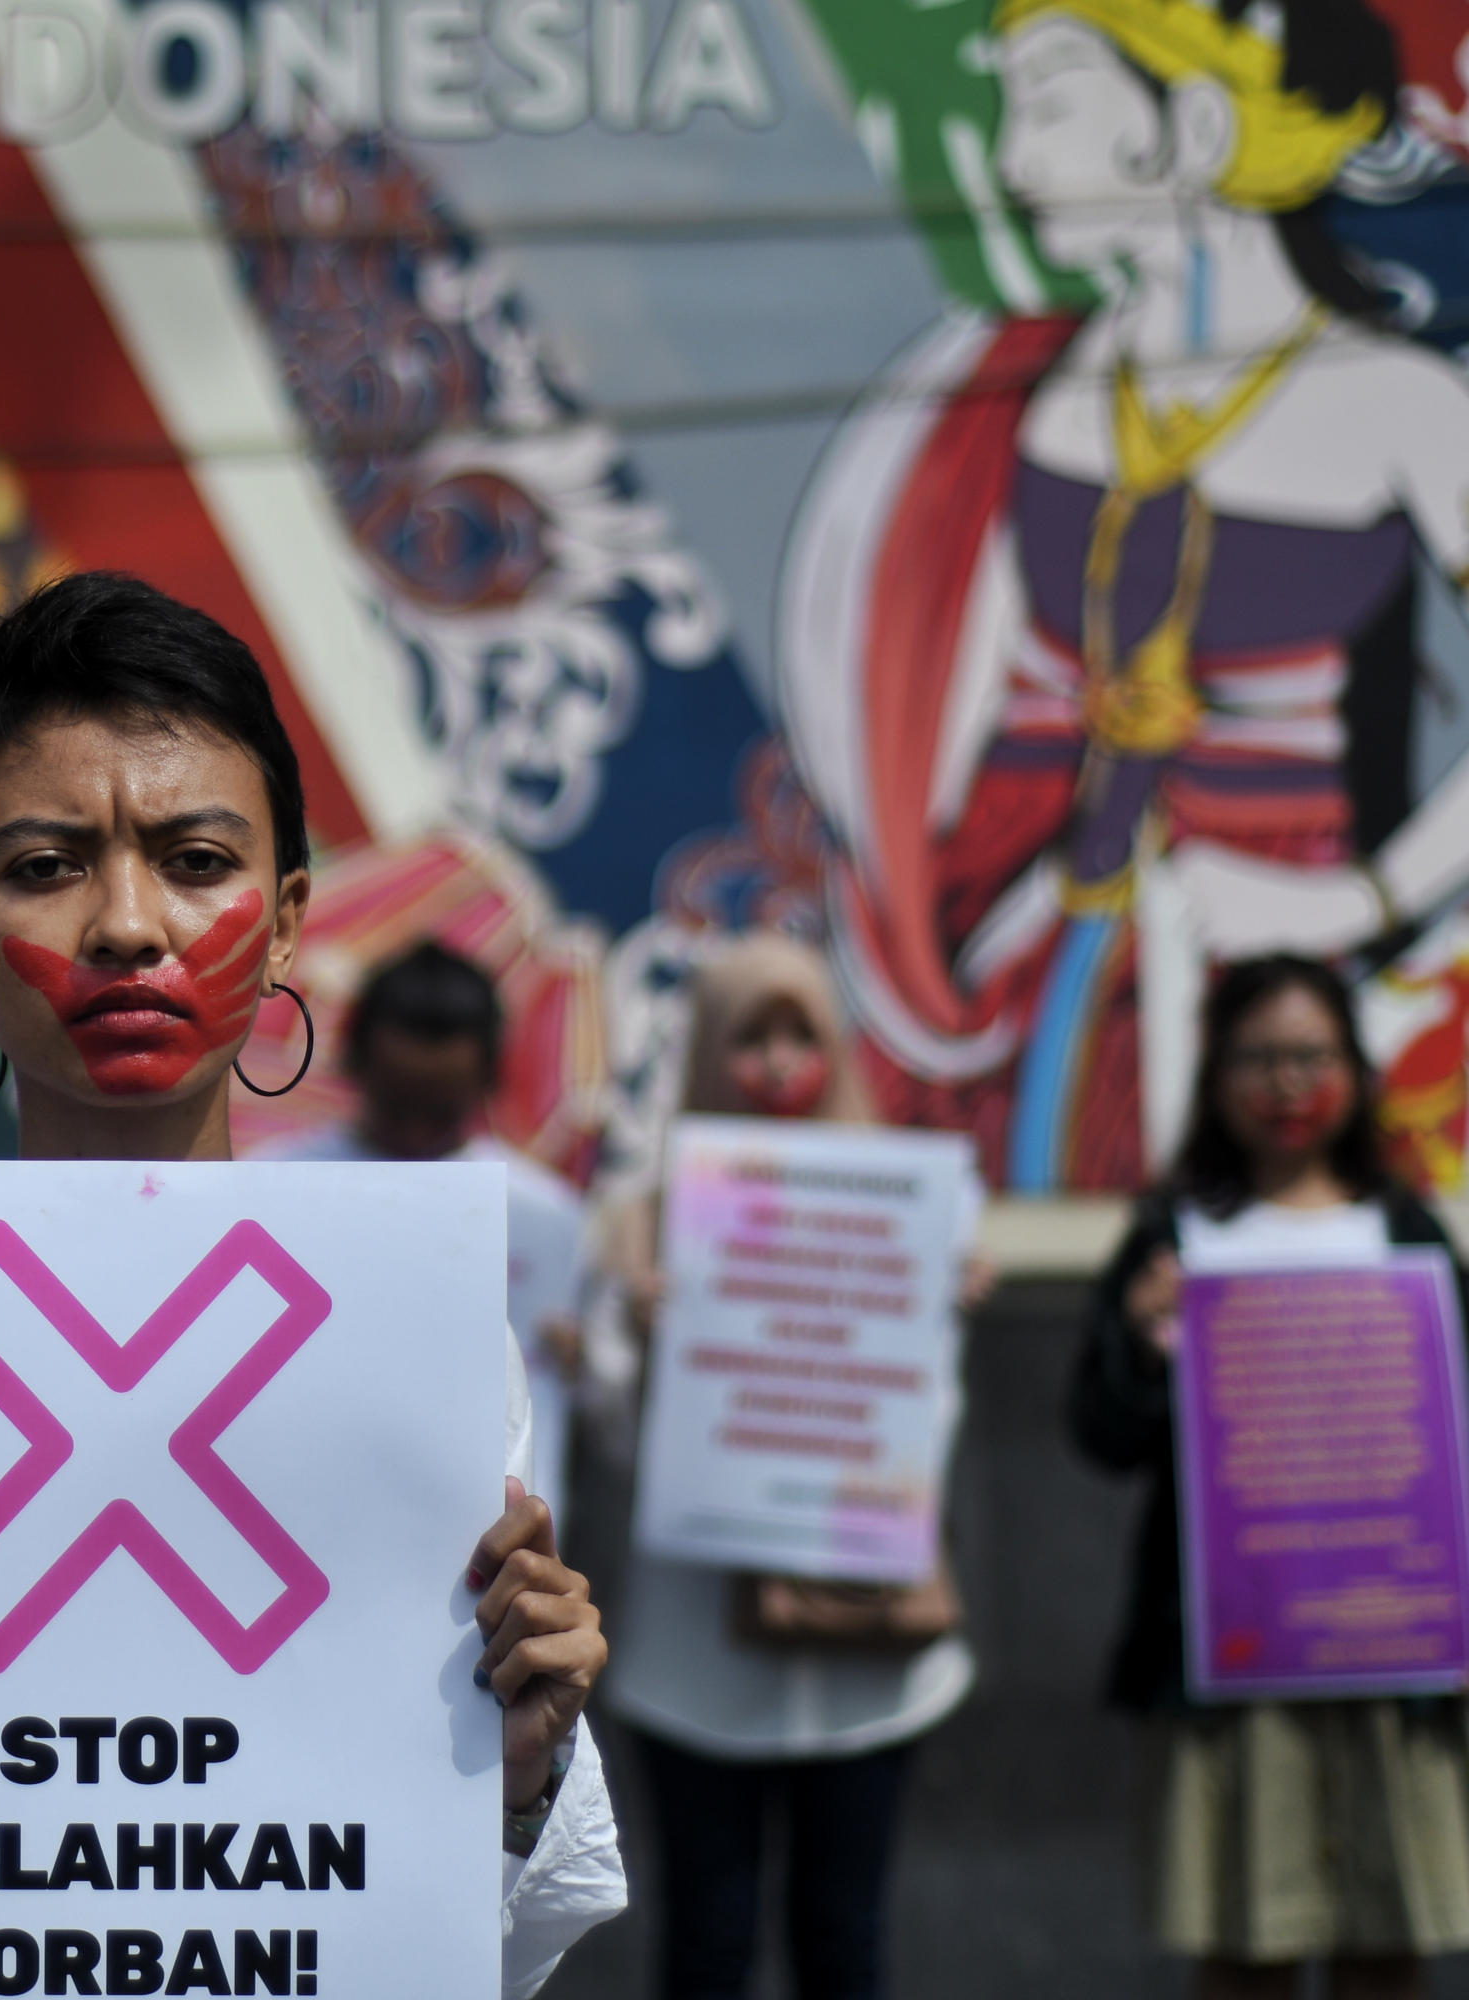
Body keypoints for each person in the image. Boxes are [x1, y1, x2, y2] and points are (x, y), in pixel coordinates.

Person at [0, 572, 626, 1999]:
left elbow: (478, 1944)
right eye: (45, 864)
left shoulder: (414, 1346)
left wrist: (518, 1768)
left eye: (194, 859)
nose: (126, 924)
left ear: (289, 919)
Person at [782, 0, 1469, 1191]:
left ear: (1192, 126)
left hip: (1257, 940)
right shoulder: (1015, 377)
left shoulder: (1401, 405)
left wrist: (1353, 902)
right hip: (1005, 956)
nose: (1011, 159)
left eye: (1048, 104)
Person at [595, 932, 985, 2000]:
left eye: (798, 1034)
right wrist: (647, 1336)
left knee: (844, 1938)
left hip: (868, 1658)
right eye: (748, 1036)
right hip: (694, 1670)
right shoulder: (647, 1213)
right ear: (709, 1049)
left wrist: (927, 1313)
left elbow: (924, 1427)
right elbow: (620, 1442)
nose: (773, 1063)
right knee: (707, 1942)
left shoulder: (924, 1209)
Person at [1072, 954, 1469, 1999]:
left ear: (1354, 1069)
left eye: (1310, 1056)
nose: (1287, 1084)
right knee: (1244, 1946)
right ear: (1216, 1076)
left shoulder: (1407, 1233)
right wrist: (1144, 1340)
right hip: (1232, 1671)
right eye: (1260, 1058)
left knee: (1389, 1940)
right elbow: (1100, 1432)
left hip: (1394, 1664)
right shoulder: (1173, 1236)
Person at [256, 942, 590, 1520]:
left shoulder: (549, 1219)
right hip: (303, 1515)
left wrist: (593, 1368)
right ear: (354, 1062)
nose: (413, 1138)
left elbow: (596, 1407)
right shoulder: (269, 1191)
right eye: (398, 1106)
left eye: (438, 1113)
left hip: (499, 1551)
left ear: (487, 1079)